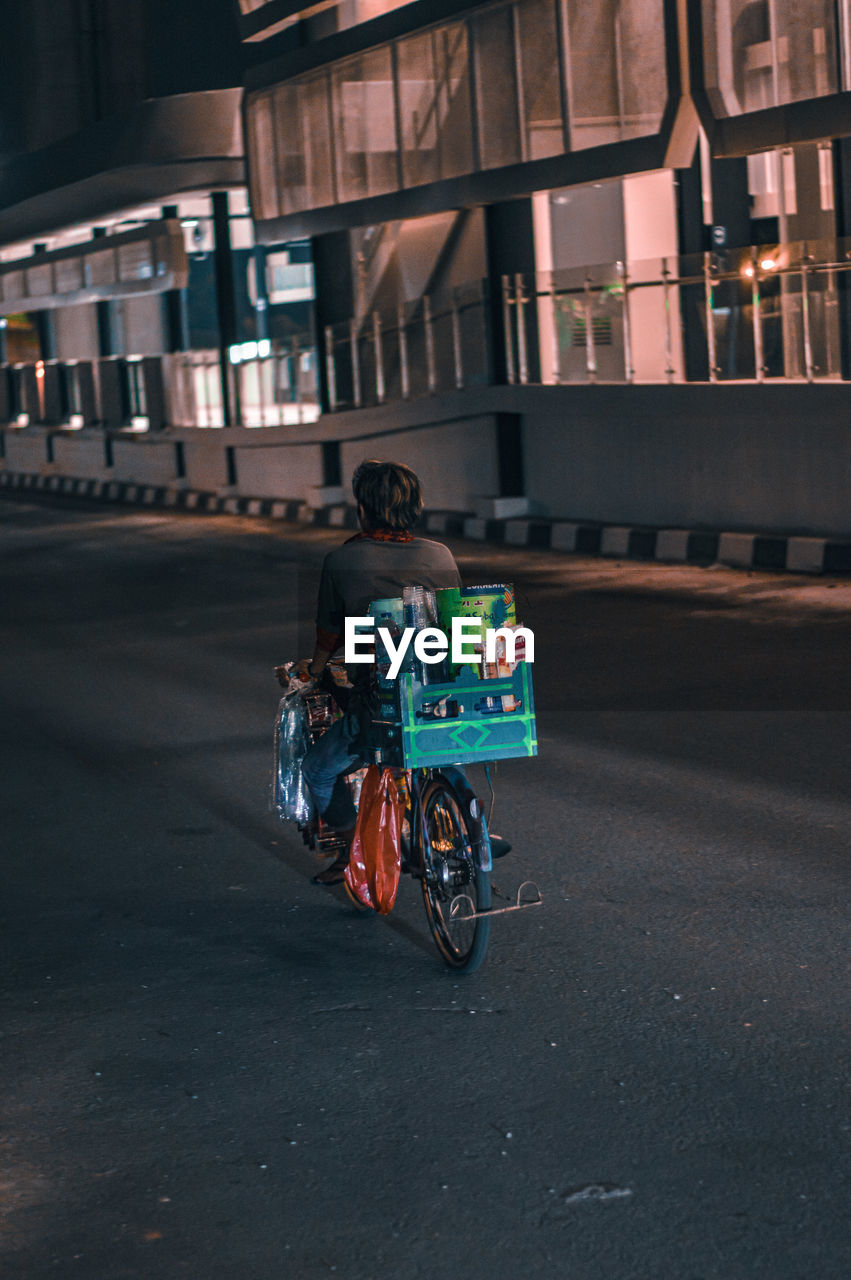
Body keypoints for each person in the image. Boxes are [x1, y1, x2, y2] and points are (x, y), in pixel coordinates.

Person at [280, 459, 462, 885]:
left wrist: (314, 672)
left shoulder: (342, 559)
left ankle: (351, 848)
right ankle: (467, 825)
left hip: (380, 705)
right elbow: (454, 620)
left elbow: (328, 637)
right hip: (439, 696)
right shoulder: (440, 554)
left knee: (319, 770)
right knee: (442, 749)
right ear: (415, 506)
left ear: (363, 508)